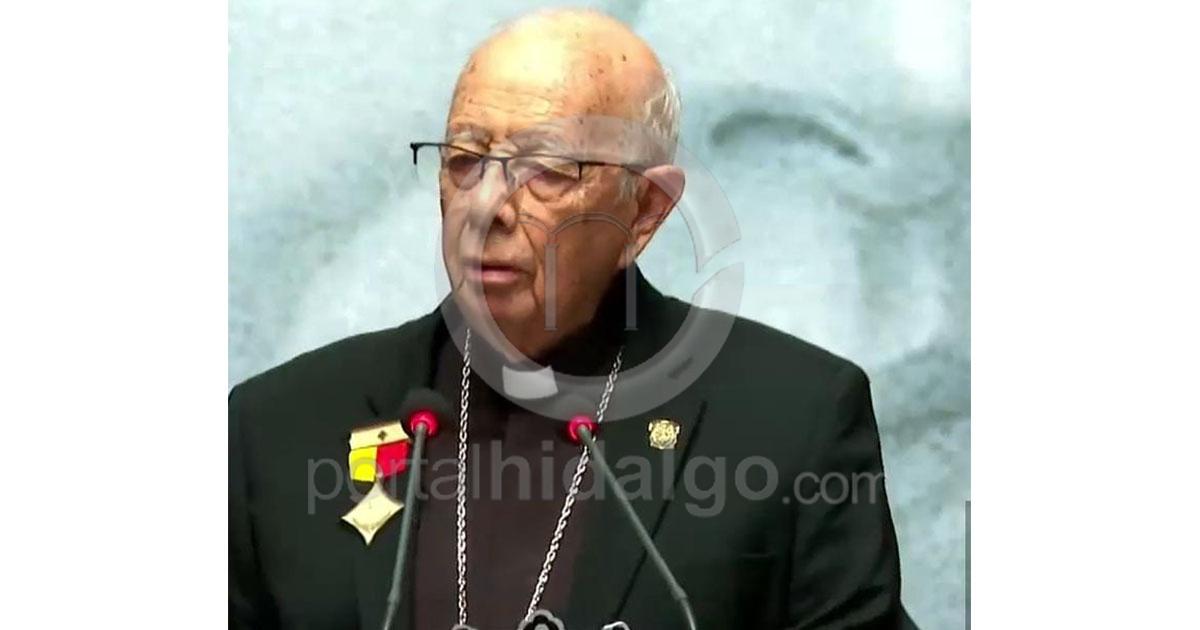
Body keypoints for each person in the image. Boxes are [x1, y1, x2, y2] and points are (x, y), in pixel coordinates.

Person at [230, 8, 901, 629]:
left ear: (645, 209)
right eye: (465, 162)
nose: (486, 207)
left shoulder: (794, 420)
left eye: (547, 171)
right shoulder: (279, 425)